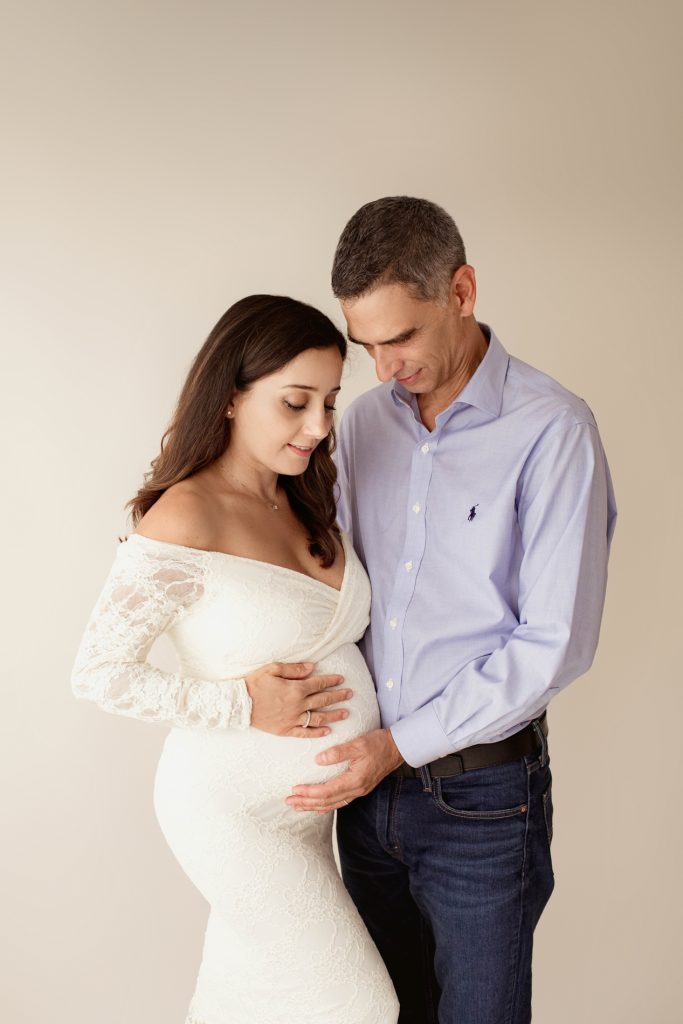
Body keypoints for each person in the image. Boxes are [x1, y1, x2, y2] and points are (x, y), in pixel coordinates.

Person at [286, 197, 617, 1024]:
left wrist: (395, 745)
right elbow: (334, 585)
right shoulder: (360, 426)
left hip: (480, 802)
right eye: (366, 345)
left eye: (399, 338)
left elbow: (553, 643)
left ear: (461, 291)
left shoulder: (553, 430)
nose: (382, 366)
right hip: (363, 798)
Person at [71, 294, 399, 1024]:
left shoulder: (308, 501)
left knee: (248, 995)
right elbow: (98, 670)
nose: (317, 427)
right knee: (359, 1007)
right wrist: (244, 703)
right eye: (293, 403)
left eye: (328, 403)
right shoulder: (189, 513)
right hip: (229, 811)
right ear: (230, 398)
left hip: (311, 816)